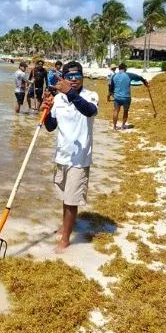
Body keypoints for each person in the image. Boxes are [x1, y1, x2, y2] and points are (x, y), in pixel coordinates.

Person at [43, 61, 99, 253]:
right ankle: (66, 226)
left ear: (83, 77)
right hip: (62, 156)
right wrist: (46, 111)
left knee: (71, 199)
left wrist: (70, 93)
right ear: (63, 78)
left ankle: (66, 238)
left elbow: (89, 111)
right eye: (69, 77)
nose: (73, 80)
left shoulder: (90, 96)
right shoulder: (58, 99)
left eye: (77, 76)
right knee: (64, 196)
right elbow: (51, 127)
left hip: (80, 159)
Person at [108, 63, 148, 131]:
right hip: (126, 97)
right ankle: (122, 127)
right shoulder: (129, 75)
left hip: (117, 97)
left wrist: (110, 96)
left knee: (116, 111)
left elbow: (110, 88)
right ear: (125, 69)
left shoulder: (114, 76)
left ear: (119, 69)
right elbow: (139, 77)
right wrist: (144, 82)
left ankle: (114, 127)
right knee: (125, 111)